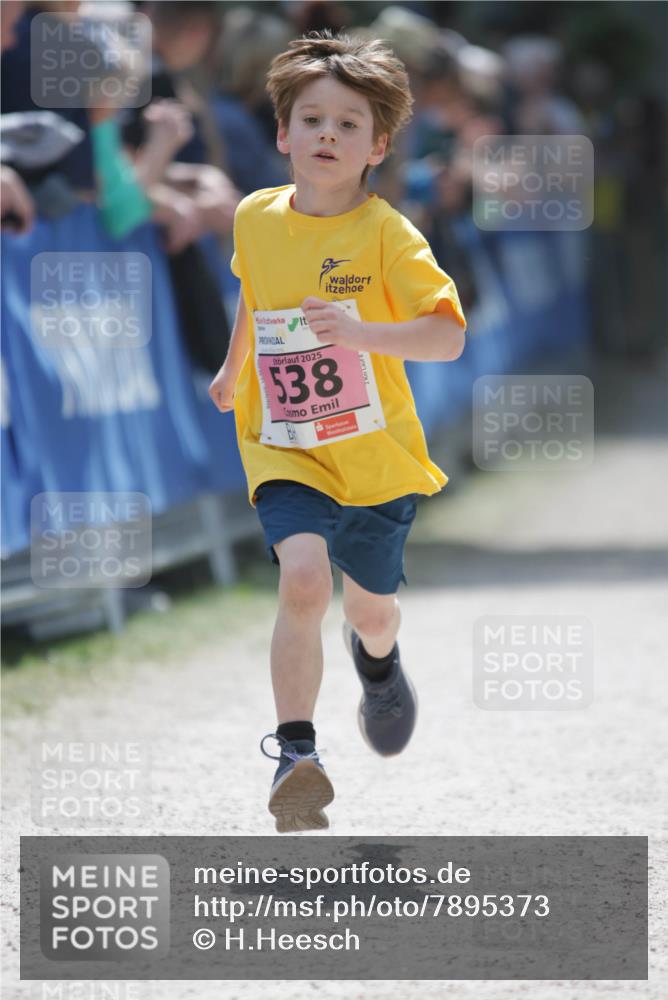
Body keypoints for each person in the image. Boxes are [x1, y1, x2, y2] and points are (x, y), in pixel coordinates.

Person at [208, 30, 466, 833]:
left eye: (348, 124)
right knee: (303, 578)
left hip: (376, 460)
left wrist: (362, 333)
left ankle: (380, 667)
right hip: (283, 444)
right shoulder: (255, 216)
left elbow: (447, 335)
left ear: (377, 146)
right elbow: (258, 295)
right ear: (281, 135)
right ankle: (297, 754)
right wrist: (232, 367)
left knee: (372, 612)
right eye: (310, 119)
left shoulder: (389, 235)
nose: (326, 134)